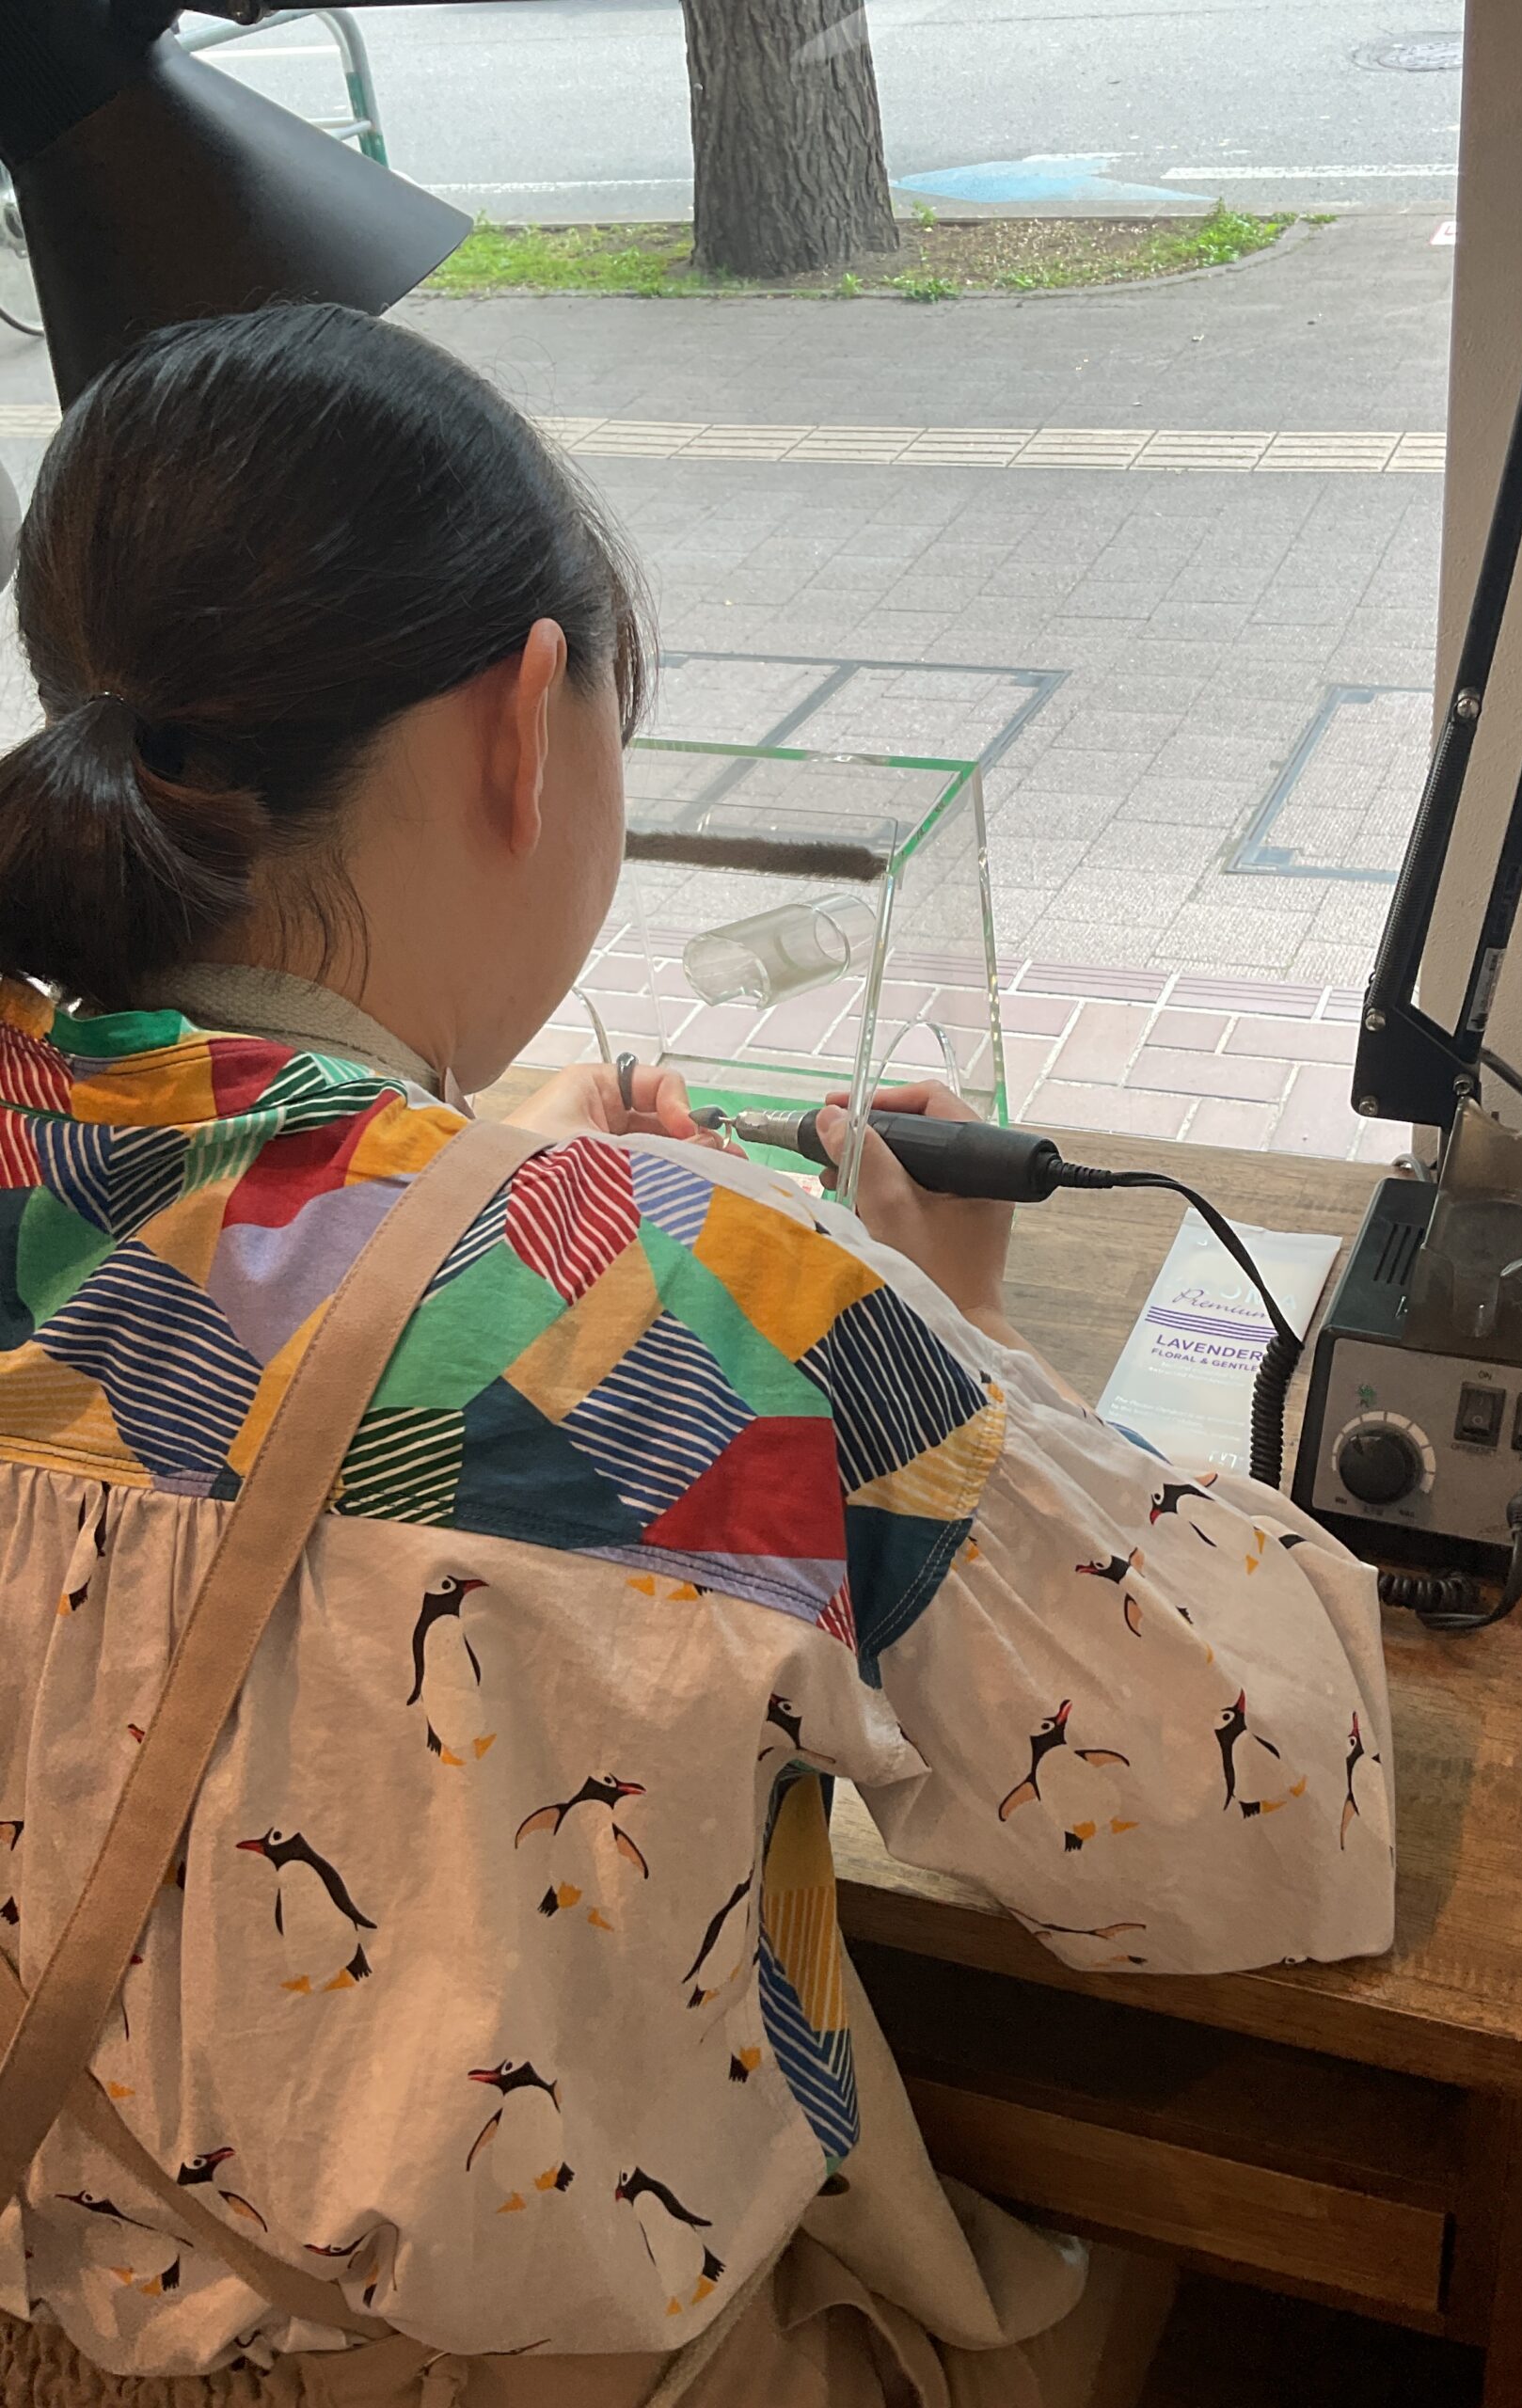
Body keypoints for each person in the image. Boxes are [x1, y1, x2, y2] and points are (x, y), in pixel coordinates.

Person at [0, 305, 1393, 2406]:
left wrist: (450, 1171)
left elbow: (186, 1321)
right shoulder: (712, 1302)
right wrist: (952, 1323)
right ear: (524, 721)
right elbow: (1280, 1805)